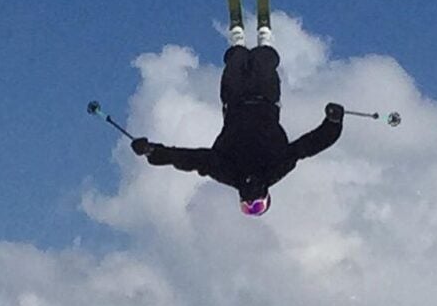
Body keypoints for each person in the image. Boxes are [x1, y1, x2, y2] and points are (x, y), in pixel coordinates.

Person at [130, 40, 342, 215]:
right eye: (257, 205)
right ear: (266, 195)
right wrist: (333, 123)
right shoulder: (276, 168)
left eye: (246, 207)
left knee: (236, 59)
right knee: (263, 59)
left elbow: (191, 159)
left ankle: (238, 39)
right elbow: (307, 146)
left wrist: (153, 151)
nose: (250, 202)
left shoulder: (226, 172)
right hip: (265, 98)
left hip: (234, 100)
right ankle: (264, 38)